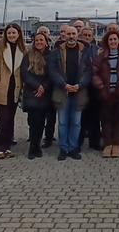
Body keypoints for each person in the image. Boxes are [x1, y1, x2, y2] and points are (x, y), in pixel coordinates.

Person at [48, 26, 91, 161]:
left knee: (76, 123)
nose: (71, 36)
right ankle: (63, 148)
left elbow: (89, 71)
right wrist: (64, 85)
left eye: (73, 33)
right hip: (62, 92)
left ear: (77, 35)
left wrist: (80, 85)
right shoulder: (56, 52)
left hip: (79, 91)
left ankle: (73, 148)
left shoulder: (85, 52)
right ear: (64, 35)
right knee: (62, 122)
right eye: (68, 34)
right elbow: (52, 71)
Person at [91, 31, 119, 158]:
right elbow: (94, 73)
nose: (113, 42)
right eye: (110, 39)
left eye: (115, 39)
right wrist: (101, 87)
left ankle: (116, 144)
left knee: (118, 120)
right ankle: (107, 144)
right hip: (105, 93)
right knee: (106, 119)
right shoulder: (100, 56)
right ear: (107, 41)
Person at [0, 24, 25, 159]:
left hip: (15, 88)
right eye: (9, 33)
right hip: (3, 88)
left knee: (10, 119)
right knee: (4, 118)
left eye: (14, 33)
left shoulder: (23, 49)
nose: (12, 35)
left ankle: (7, 147)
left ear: (18, 34)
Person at [22, 32, 52, 159]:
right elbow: (24, 73)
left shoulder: (51, 56)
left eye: (41, 40)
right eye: (37, 40)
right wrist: (36, 86)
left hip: (45, 93)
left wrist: (43, 86)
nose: (39, 42)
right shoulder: (28, 55)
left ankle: (37, 145)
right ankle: (33, 146)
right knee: (33, 121)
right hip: (32, 92)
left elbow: (52, 73)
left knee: (41, 121)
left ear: (46, 42)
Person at [79, 27, 102, 151]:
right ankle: (78, 142)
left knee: (95, 116)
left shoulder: (97, 50)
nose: (87, 37)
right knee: (81, 117)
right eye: (84, 35)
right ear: (80, 36)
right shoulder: (76, 49)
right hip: (81, 87)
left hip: (94, 87)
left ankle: (95, 142)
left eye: (89, 35)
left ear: (92, 37)